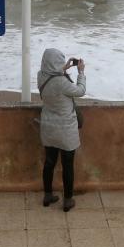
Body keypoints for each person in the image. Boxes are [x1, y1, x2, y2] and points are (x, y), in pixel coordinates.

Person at [37, 48, 86, 212]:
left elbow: (52, 73)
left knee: (49, 162)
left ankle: (48, 195)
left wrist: (64, 67)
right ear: (56, 62)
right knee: (67, 165)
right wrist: (80, 72)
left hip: (48, 127)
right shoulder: (62, 83)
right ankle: (67, 200)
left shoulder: (41, 76)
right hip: (65, 130)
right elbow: (80, 91)